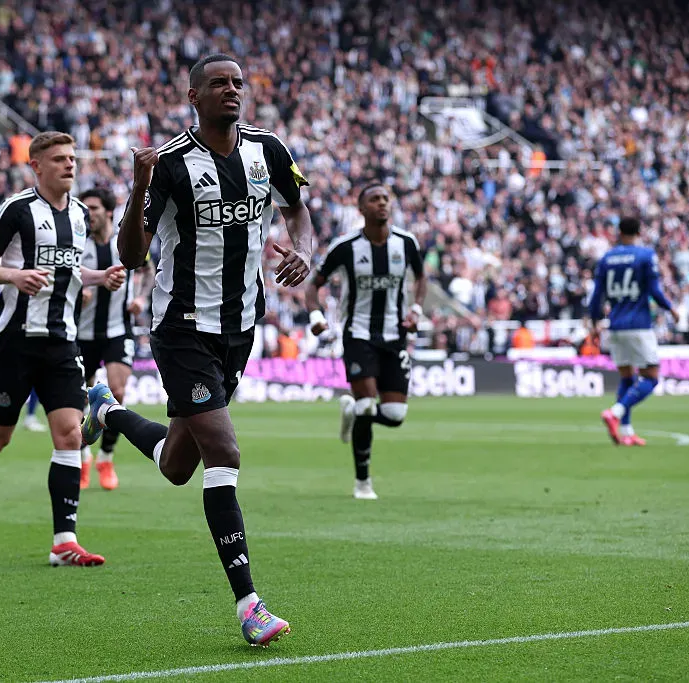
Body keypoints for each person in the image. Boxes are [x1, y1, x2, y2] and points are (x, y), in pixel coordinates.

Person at [80, 54, 314, 646]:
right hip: (182, 326)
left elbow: (299, 209)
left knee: (177, 465)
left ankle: (105, 409)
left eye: (238, 83)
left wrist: (300, 248)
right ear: (193, 95)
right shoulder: (171, 165)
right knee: (225, 453)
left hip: (240, 325)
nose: (231, 91)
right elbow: (133, 255)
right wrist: (137, 189)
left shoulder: (269, 150)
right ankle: (250, 605)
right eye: (219, 84)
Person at [0, 131, 127, 567]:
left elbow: (68, 269)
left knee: (69, 433)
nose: (70, 165)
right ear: (36, 166)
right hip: (15, 340)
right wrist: (14, 276)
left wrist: (99, 277)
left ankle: (63, 541)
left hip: (62, 341)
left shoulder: (81, 217)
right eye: (59, 159)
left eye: (72, 158)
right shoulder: (16, 209)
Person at [306, 183, 426, 500]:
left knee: (395, 416)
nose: (382, 204)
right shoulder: (346, 247)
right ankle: (363, 483)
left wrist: (416, 309)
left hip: (394, 335)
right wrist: (316, 317)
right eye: (374, 200)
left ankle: (351, 412)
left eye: (386, 198)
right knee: (365, 403)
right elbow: (312, 286)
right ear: (361, 209)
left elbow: (421, 278)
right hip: (358, 334)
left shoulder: (406, 243)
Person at [75, 187, 155, 490]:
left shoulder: (127, 241)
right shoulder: (79, 245)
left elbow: (148, 271)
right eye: (86, 208)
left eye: (94, 208)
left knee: (118, 391)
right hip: (82, 333)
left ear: (108, 211)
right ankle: (83, 458)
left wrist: (141, 299)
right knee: (78, 399)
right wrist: (76, 294)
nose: (89, 213)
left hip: (117, 330)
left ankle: (106, 456)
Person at [588, 216, 675, 446]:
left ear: (619, 232)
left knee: (627, 377)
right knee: (651, 377)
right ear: (639, 230)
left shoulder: (607, 258)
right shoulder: (645, 255)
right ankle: (616, 412)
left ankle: (626, 432)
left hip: (615, 325)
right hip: (638, 325)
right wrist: (671, 308)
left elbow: (597, 296)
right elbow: (655, 291)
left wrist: (595, 321)